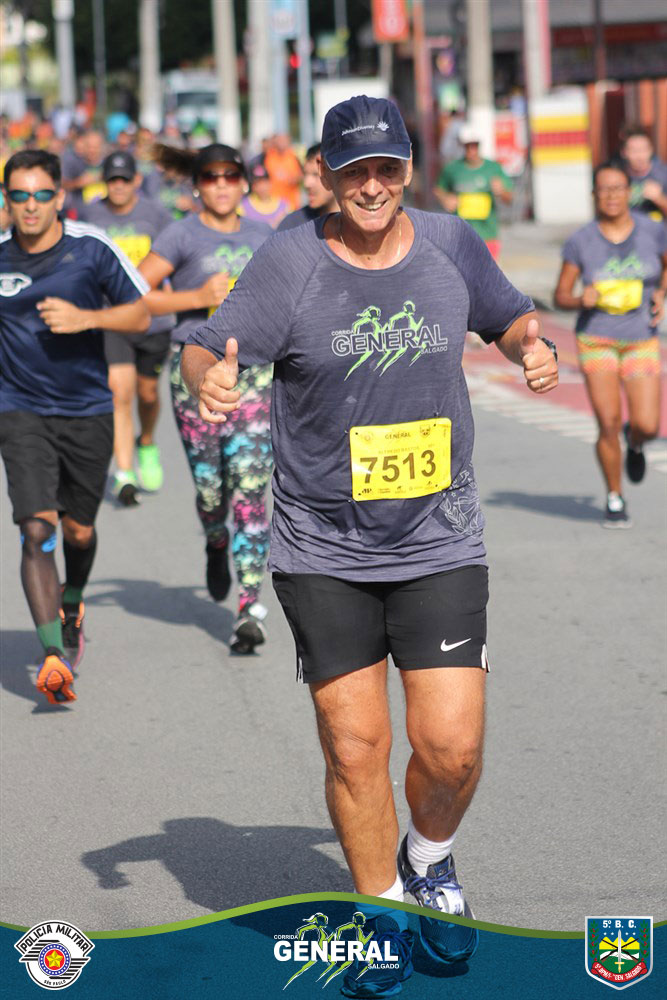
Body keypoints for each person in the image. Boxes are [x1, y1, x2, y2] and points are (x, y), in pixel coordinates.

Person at [182, 96, 558, 995]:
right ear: (325, 174)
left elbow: (508, 314)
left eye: (387, 167)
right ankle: (380, 914)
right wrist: (208, 380)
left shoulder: (449, 242)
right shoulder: (290, 260)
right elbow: (206, 344)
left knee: (451, 748)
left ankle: (428, 857)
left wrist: (529, 346)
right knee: (355, 749)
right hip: (324, 548)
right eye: (355, 171)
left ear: (407, 168)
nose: (373, 186)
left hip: (438, 538)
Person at [0, 149, 150, 704]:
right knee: (36, 529)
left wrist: (87, 318)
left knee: (78, 531)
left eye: (42, 194)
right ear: (7, 199)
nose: (31, 205)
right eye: (19, 195)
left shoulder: (90, 248)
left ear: (60, 197)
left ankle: (73, 598)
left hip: (87, 410)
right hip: (19, 410)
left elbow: (142, 313)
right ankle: (52, 655)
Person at [138, 143, 274, 654]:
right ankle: (216, 539)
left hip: (254, 375)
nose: (221, 184)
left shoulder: (264, 236)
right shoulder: (180, 234)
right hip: (194, 374)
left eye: (230, 175)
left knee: (250, 487)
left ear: (244, 182)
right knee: (212, 488)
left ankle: (250, 607)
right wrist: (197, 298)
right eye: (211, 176)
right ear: (196, 185)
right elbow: (137, 294)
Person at [554, 162, 666, 528]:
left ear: (629, 192)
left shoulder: (652, 231)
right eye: (604, 189)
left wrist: (662, 293)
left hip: (641, 338)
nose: (612, 195)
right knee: (608, 422)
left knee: (648, 424)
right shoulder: (581, 241)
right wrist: (580, 299)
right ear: (593, 195)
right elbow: (560, 295)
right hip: (596, 339)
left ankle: (635, 441)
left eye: (618, 188)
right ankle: (615, 496)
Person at [81, 151, 174, 505]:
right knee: (119, 392)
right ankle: (124, 472)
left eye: (124, 179)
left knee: (147, 394)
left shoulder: (156, 214)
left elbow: (175, 257)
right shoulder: (90, 216)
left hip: (153, 319)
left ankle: (146, 441)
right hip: (112, 318)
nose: (118, 186)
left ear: (136, 180)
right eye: (112, 180)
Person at [434, 123, 513, 260]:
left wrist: (501, 192)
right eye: (467, 146)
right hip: (461, 236)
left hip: (488, 235)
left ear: (479, 145)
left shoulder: (493, 168)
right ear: (462, 146)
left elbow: (509, 198)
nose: (471, 150)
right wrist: (445, 199)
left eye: (474, 145)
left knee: (488, 273)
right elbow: (438, 189)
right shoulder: (452, 169)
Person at [277, 143, 338, 232]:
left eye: (316, 175)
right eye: (305, 174)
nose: (307, 183)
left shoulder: (357, 222)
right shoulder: (292, 225)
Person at [618, 126, 667, 222]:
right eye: (634, 151)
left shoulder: (663, 174)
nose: (640, 156)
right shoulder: (618, 177)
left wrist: (659, 199)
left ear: (651, 150)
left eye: (644, 150)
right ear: (624, 153)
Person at [239, 156, 289, 229]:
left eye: (264, 182)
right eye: (258, 184)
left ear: (270, 183)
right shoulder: (243, 207)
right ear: (253, 186)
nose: (262, 187)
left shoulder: (283, 205)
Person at [264, 132, 303, 211]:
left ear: (288, 141)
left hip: (291, 203)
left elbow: (301, 175)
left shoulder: (294, 156)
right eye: (279, 140)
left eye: (283, 140)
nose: (281, 143)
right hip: (274, 202)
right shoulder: (269, 156)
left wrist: (293, 179)